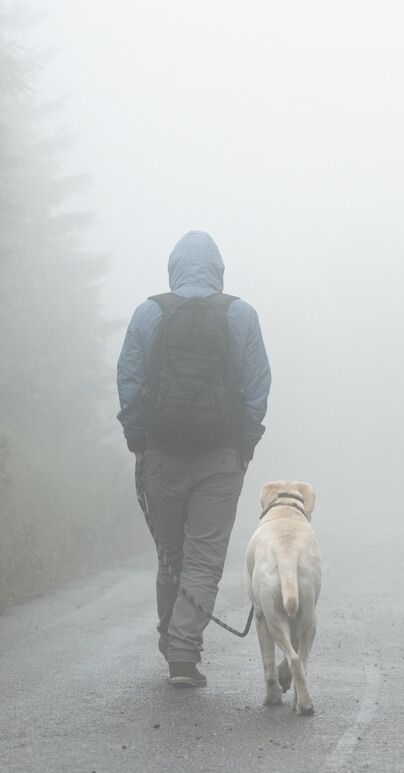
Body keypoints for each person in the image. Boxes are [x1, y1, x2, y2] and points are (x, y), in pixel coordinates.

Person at [116, 230, 271, 688]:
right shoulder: (241, 314)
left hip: (161, 454)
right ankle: (183, 654)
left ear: (173, 268)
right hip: (220, 458)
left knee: (171, 556)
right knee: (203, 559)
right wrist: (245, 447)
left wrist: (138, 441)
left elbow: (128, 379)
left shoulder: (149, 312)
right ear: (219, 271)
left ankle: (173, 645)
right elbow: (258, 387)